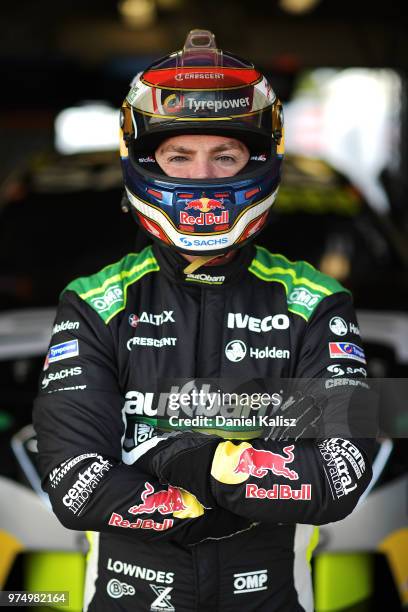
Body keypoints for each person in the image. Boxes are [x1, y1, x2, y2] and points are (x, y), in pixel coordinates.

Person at [33, 29, 374, 612]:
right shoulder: (92, 301)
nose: (202, 178)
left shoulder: (319, 301)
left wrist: (186, 464)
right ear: (144, 161)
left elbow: (343, 471)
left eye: (225, 155)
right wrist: (239, 469)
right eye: (178, 156)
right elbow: (74, 480)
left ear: (259, 161)